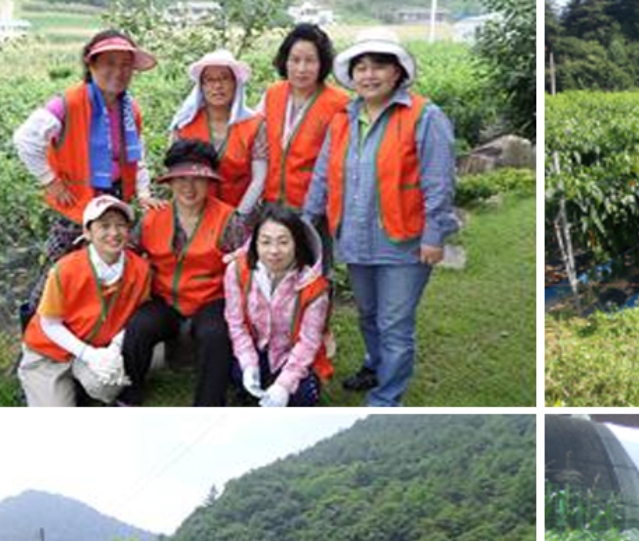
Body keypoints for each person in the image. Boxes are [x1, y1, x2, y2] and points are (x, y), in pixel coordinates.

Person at [304, 29, 457, 406]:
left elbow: (439, 181)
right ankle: (376, 366)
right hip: (355, 238)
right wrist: (305, 220)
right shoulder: (344, 117)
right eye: (361, 68)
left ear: (397, 73)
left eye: (379, 67)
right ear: (352, 76)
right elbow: (324, 172)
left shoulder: (424, 116)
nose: (369, 75)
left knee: (395, 324)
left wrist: (434, 235)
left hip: (404, 240)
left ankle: (388, 397)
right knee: (368, 315)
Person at [13, 30, 162, 268]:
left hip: (115, 197)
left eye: (125, 64)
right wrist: (50, 180)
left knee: (107, 264)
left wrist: (143, 191)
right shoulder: (68, 103)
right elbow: (25, 139)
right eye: (109, 63)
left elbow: (136, 154)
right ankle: (40, 307)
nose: (119, 71)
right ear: (91, 65)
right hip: (76, 200)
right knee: (61, 267)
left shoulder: (128, 108)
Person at [120, 139, 247, 406]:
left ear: (210, 182)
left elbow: (245, 263)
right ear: (170, 181)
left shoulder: (227, 218)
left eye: (197, 179)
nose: (188, 187)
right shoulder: (154, 216)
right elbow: (127, 252)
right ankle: (128, 395)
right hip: (164, 297)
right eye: (181, 179)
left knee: (215, 334)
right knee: (139, 326)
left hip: (211, 298)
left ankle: (209, 405)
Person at [18, 196, 151, 406]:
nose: (114, 233)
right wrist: (87, 354)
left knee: (108, 385)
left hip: (99, 348)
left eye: (121, 225)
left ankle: (83, 389)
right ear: (87, 233)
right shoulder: (66, 269)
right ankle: (39, 383)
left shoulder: (140, 269)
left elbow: (137, 315)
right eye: (104, 226)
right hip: (50, 351)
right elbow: (49, 323)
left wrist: (114, 349)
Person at [224, 204, 333, 407]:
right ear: (255, 243)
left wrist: (284, 384)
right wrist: (248, 363)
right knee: (239, 374)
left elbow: (308, 343)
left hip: (290, 352)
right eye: (265, 242)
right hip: (258, 347)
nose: (274, 251)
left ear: (297, 244)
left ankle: (279, 384)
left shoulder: (313, 287)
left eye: (283, 242)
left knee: (302, 396)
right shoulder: (238, 271)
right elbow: (235, 322)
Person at [260, 23, 349, 213]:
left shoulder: (339, 103)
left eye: (310, 61)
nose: (301, 68)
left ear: (322, 63)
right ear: (285, 61)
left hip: (314, 207)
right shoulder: (272, 94)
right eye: (295, 60)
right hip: (271, 202)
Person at [170, 49, 267, 221]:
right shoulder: (184, 125)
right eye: (210, 80)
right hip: (195, 215)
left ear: (235, 83)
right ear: (201, 86)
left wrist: (239, 217)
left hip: (242, 212)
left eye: (224, 78)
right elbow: (176, 175)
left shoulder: (255, 125)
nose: (217, 86)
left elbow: (259, 178)